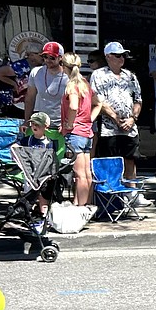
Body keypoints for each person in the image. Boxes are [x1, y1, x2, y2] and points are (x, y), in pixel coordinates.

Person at [91, 41, 149, 205]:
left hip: (130, 127)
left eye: (123, 55)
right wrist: (116, 119)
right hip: (109, 128)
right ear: (108, 57)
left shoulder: (130, 75)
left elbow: (138, 99)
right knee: (111, 160)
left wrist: (132, 118)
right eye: (117, 55)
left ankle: (132, 193)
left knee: (130, 158)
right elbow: (99, 101)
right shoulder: (99, 75)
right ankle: (113, 193)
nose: (121, 58)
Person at [59, 52, 94, 207]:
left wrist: (69, 123)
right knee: (87, 173)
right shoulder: (85, 84)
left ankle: (81, 207)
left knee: (79, 175)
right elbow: (98, 103)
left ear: (64, 66)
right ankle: (85, 204)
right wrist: (88, 119)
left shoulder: (72, 85)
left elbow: (73, 106)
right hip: (87, 132)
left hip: (76, 133)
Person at [23, 41, 68, 128]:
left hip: (62, 126)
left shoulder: (68, 75)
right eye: (44, 56)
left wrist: (68, 122)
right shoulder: (36, 72)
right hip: (42, 124)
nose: (48, 60)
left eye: (52, 57)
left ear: (60, 58)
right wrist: (26, 120)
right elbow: (30, 99)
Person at [0, 46, 42, 116]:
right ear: (32, 55)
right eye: (40, 55)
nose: (43, 57)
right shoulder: (21, 65)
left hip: (38, 105)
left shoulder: (44, 66)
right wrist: (13, 84)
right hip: (21, 104)